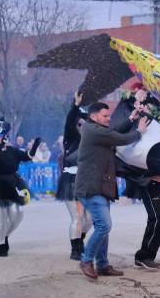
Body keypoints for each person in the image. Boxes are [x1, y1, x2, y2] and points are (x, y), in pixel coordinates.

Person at [75, 101, 148, 281]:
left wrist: (131, 117)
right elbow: (120, 138)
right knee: (104, 226)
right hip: (92, 186)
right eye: (105, 116)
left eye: (108, 116)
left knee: (103, 227)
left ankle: (102, 265)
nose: (108, 119)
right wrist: (139, 131)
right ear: (93, 116)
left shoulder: (96, 130)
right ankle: (86, 260)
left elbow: (114, 131)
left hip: (100, 186)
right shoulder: (92, 130)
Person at [0, 118, 39, 256]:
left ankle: (4, 235)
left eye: (5, 135)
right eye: (1, 136)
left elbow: (27, 156)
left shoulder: (12, 150)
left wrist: (34, 147)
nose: (4, 137)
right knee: (0, 218)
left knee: (17, 215)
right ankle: (0, 244)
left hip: (12, 184)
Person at [58, 92, 93, 260]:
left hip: (88, 180)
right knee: (77, 217)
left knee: (90, 219)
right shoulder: (71, 137)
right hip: (71, 179)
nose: (82, 123)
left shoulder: (93, 137)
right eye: (80, 121)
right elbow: (70, 120)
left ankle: (79, 240)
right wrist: (75, 106)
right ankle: (76, 249)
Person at [130, 173, 160, 269]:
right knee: (159, 217)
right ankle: (144, 256)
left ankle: (143, 257)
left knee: (159, 217)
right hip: (150, 181)